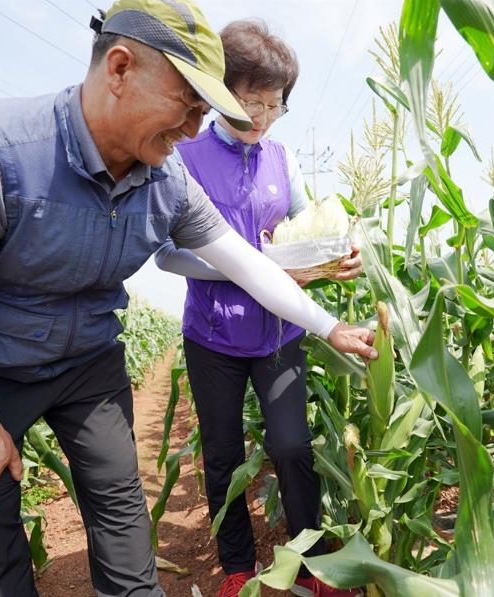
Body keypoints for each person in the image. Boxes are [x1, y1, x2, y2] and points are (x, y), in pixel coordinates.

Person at [0, 0, 375, 595]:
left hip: (86, 364)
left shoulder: (169, 180)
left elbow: (251, 266)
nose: (195, 130)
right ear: (120, 69)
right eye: (188, 105)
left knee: (124, 527)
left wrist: (330, 327)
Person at [154, 20, 363, 597]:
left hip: (278, 335)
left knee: (293, 448)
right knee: (221, 457)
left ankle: (313, 564)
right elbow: (169, 257)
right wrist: (250, 266)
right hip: (212, 336)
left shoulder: (282, 159)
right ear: (220, 94)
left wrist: (338, 255)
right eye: (250, 102)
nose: (263, 117)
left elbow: (306, 228)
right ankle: (238, 567)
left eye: (275, 105)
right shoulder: (184, 156)